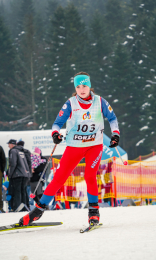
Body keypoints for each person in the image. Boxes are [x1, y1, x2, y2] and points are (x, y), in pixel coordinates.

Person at [19, 71, 120, 226]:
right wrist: (55, 135)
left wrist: (115, 135)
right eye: (78, 86)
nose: (82, 89)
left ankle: (94, 212)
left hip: (94, 146)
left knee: (90, 176)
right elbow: (57, 123)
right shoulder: (70, 103)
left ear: (90, 86)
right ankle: (38, 210)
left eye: (84, 85)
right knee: (59, 178)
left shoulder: (100, 102)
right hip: (75, 146)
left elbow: (112, 118)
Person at [8, 139, 30, 211]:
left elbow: (13, 164)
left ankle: (17, 207)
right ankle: (24, 207)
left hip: (17, 174)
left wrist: (10, 174)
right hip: (24, 174)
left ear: (12, 144)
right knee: (23, 191)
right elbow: (26, 163)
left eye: (9, 144)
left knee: (17, 192)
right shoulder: (21, 151)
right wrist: (27, 173)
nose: (8, 146)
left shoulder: (13, 151)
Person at [17, 140, 32, 208]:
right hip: (27, 173)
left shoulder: (19, 151)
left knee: (22, 189)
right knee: (26, 189)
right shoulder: (27, 151)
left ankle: (23, 204)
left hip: (22, 172)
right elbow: (29, 162)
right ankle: (27, 204)